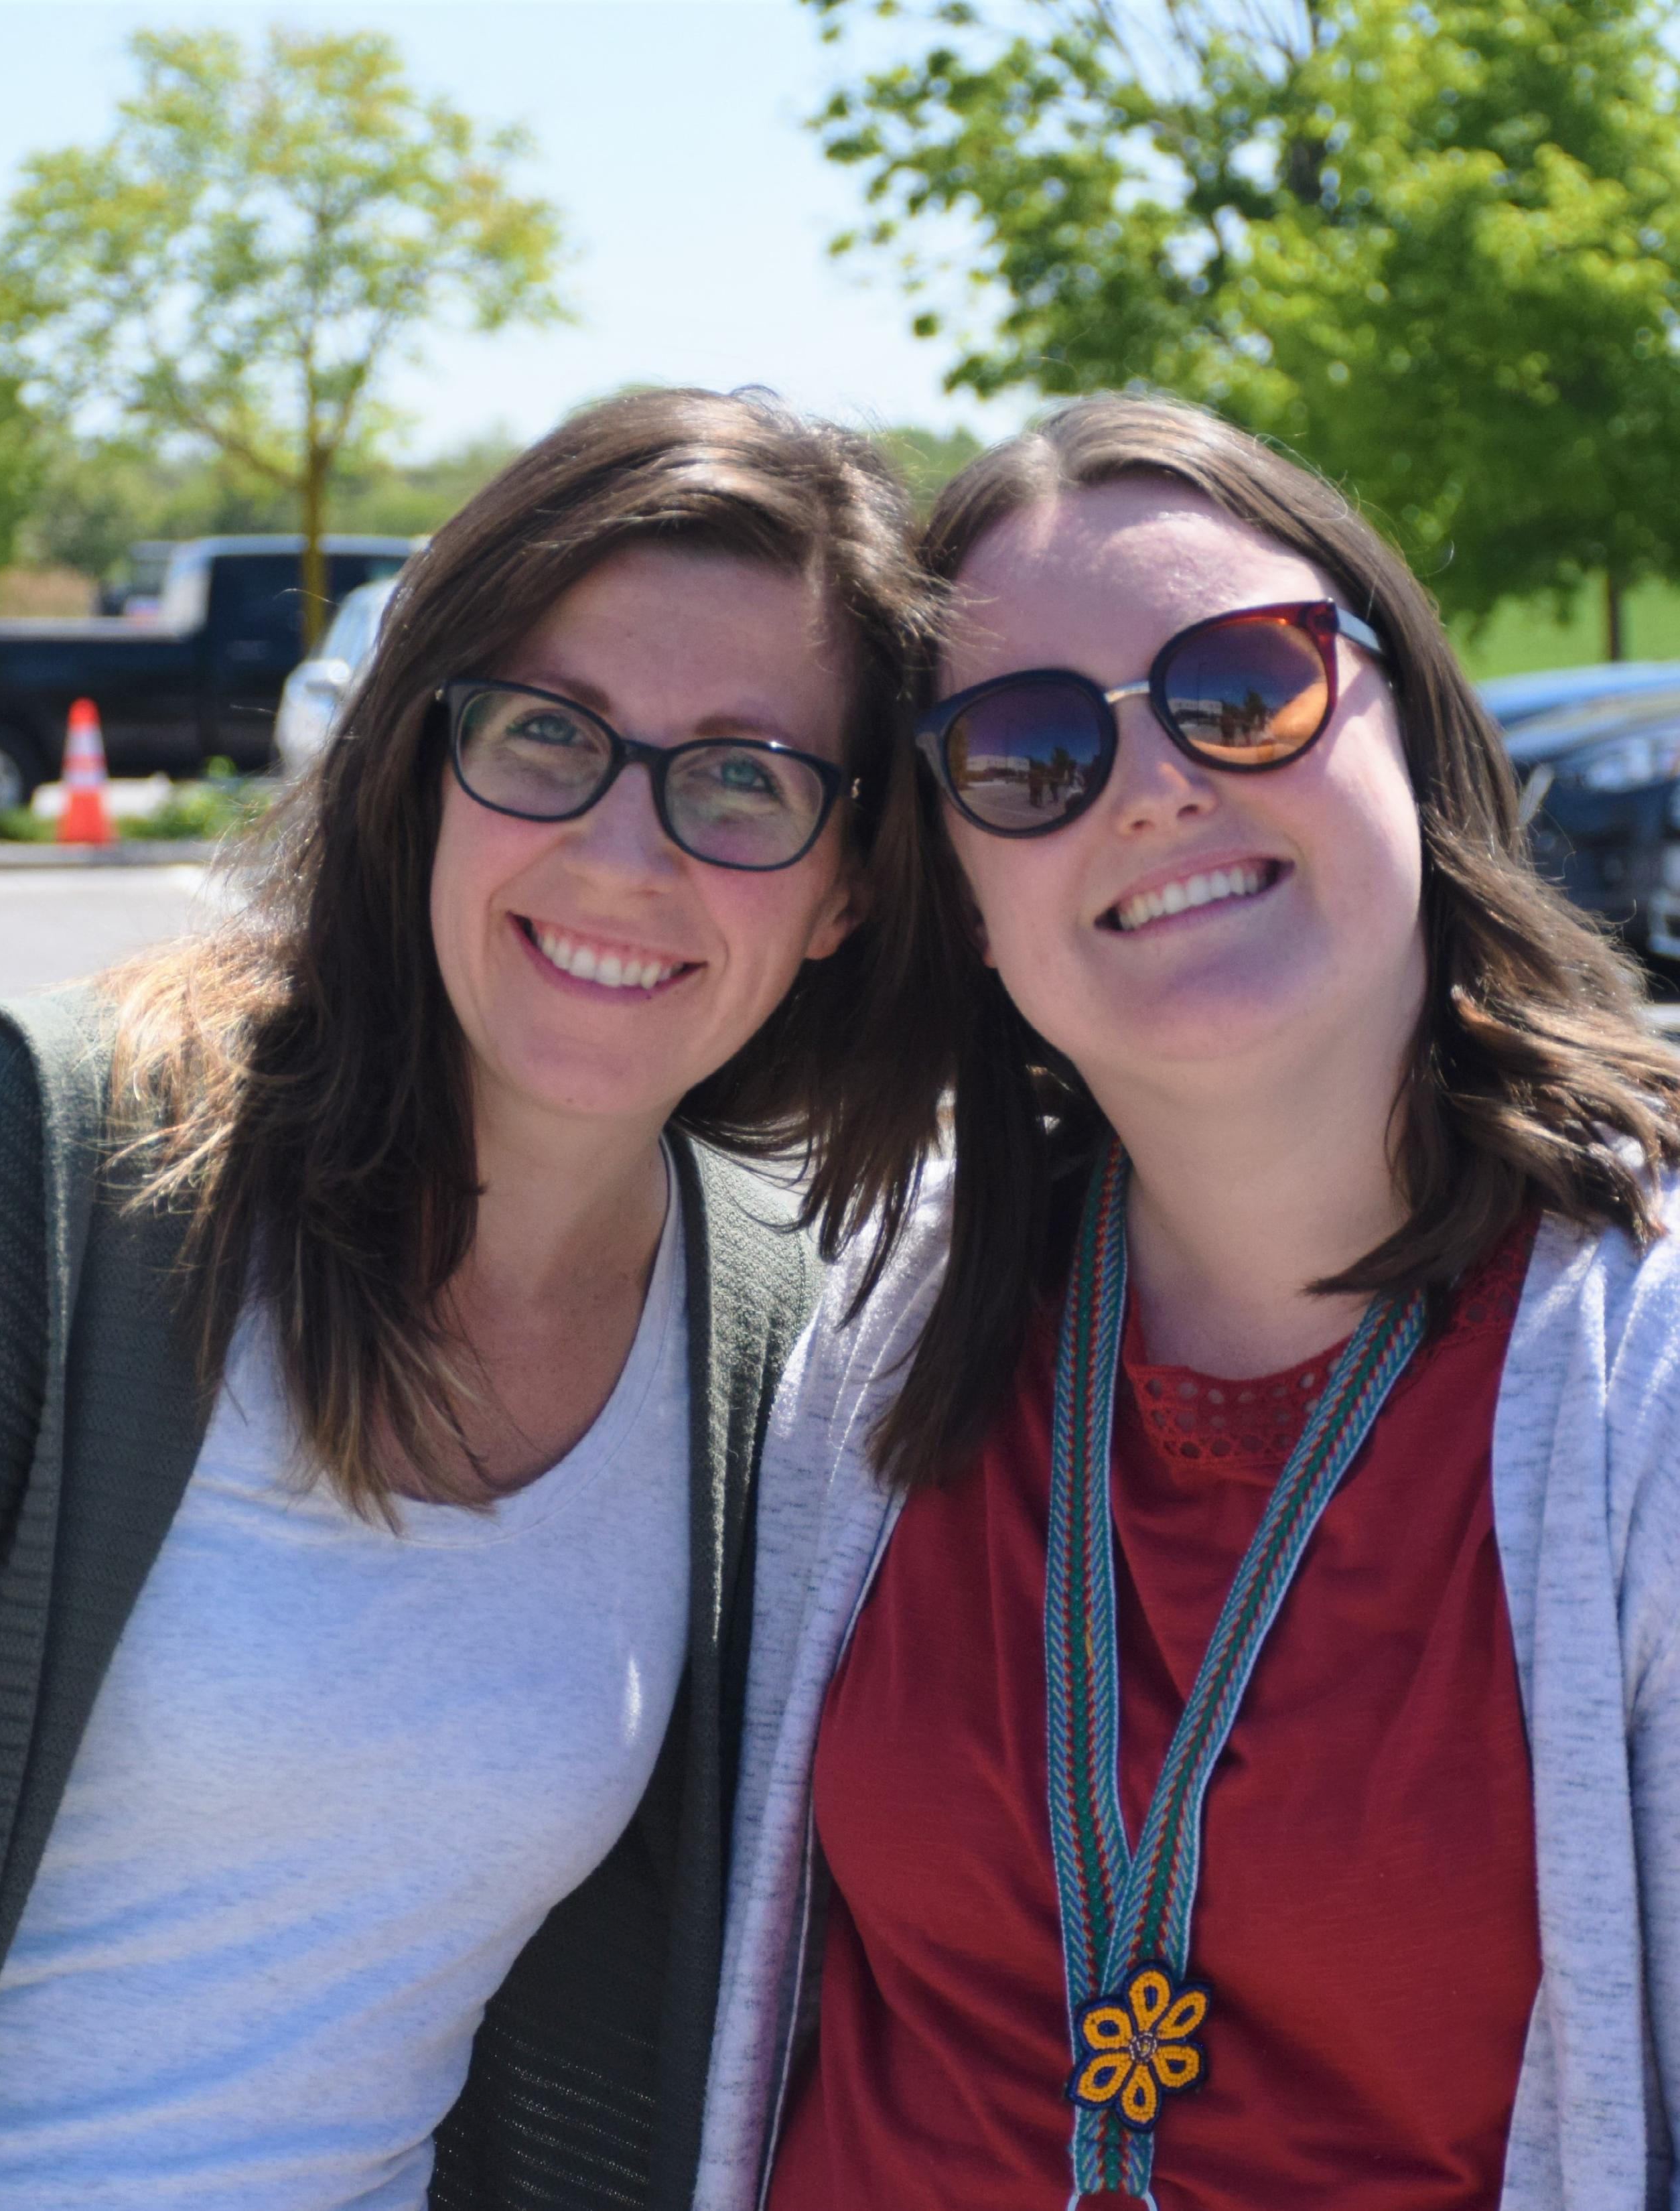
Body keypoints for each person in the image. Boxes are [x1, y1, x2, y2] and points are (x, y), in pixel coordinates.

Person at [697, 392, 1680, 2211]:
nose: (1154, 785)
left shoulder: (1650, 1380)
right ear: (955, 884)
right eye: (1026, 751)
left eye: (1243, 686)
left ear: (1411, 725)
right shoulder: (857, 1343)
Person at [0, 386, 927, 2211]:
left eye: (744, 777)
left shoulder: (779, 1342)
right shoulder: (41, 1171)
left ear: (849, 890)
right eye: (549, 733)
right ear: (421, 765)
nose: (626, 853)